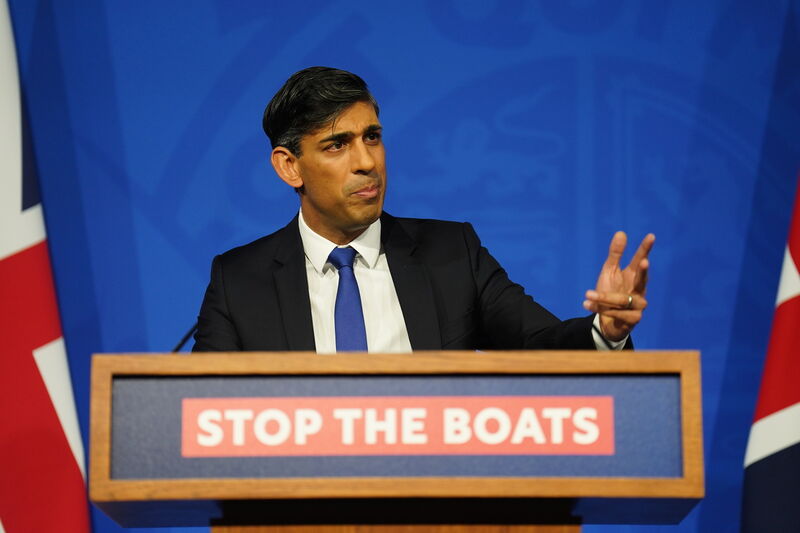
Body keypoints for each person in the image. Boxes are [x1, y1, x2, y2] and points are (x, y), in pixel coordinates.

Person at [193, 66, 654, 353]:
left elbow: (540, 344)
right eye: (337, 145)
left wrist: (606, 331)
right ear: (289, 166)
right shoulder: (239, 281)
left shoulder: (451, 253)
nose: (367, 162)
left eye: (372, 137)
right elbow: (200, 411)